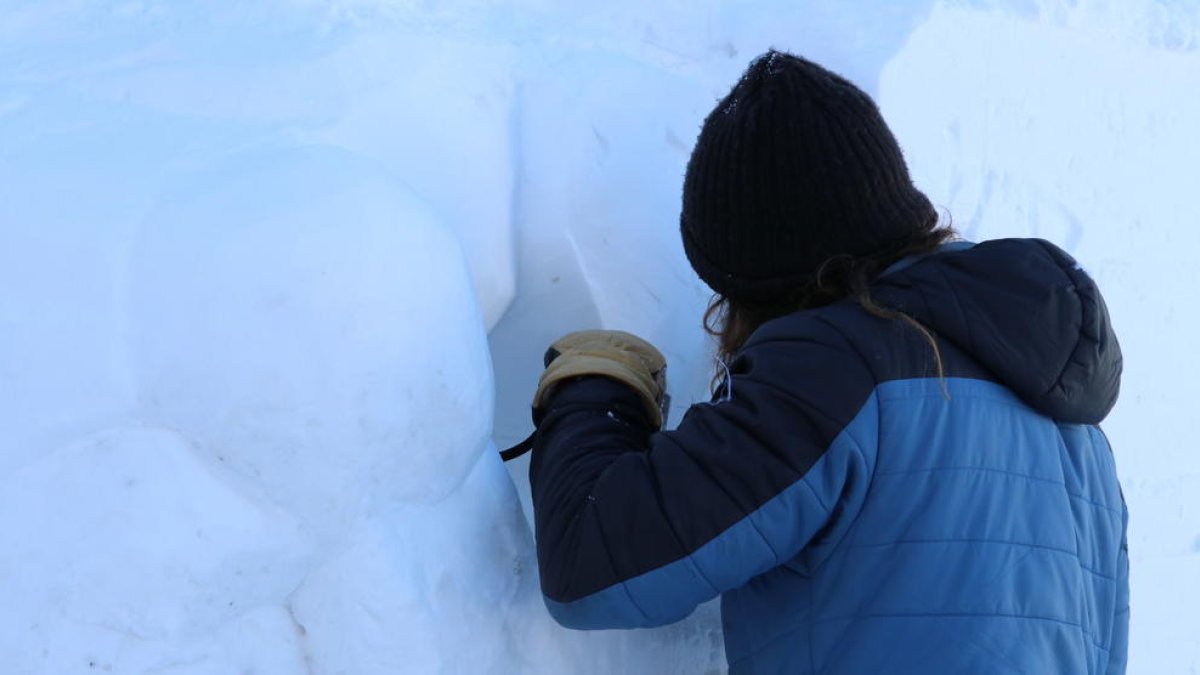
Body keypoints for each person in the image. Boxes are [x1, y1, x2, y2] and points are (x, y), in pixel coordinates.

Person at [525, 51, 1128, 674]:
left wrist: (597, 388)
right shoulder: (1074, 429)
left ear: (768, 280)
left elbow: (589, 568)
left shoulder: (838, 371)